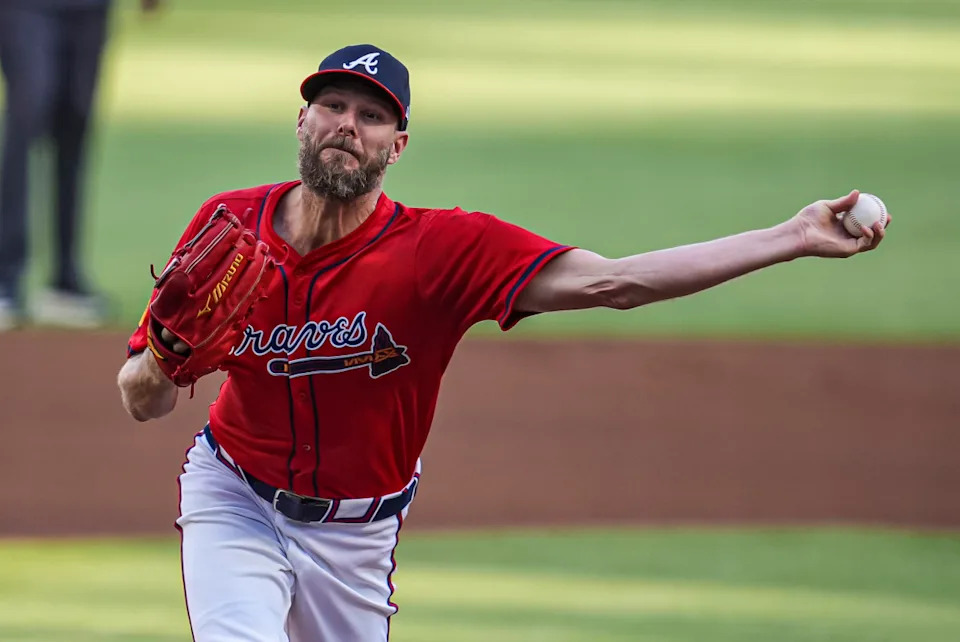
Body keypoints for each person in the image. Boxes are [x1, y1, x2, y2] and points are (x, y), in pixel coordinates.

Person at [116, 44, 889, 641]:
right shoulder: (229, 229)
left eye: (371, 115)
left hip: (356, 537)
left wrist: (791, 236)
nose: (348, 124)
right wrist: (162, 360)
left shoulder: (442, 251)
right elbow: (142, 402)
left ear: (398, 144)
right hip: (233, 500)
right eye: (333, 105)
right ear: (302, 121)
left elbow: (614, 281)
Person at [0, 0, 161, 330]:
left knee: (76, 123)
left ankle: (65, 278)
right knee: (29, 110)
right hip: (23, 7)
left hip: (89, 8)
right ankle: (6, 277)